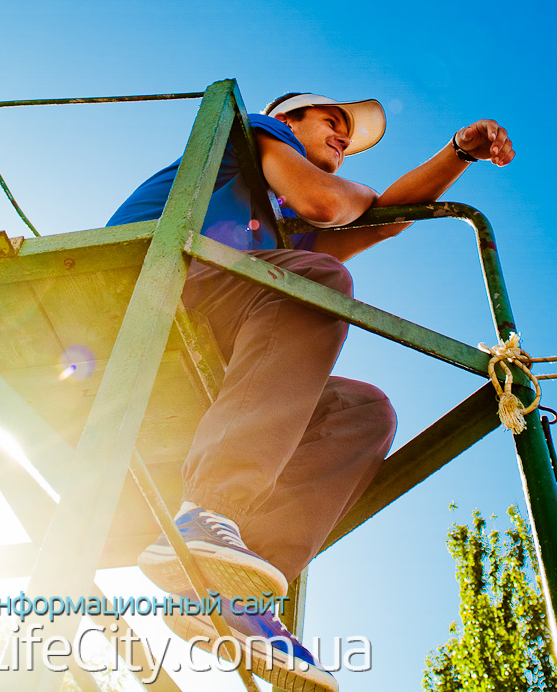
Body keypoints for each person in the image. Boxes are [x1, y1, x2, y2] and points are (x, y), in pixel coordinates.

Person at [106, 91, 515, 691]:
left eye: (348, 137)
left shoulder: (283, 229)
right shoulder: (257, 137)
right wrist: (344, 202)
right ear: (292, 119)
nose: (343, 140)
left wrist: (456, 154)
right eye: (333, 122)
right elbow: (328, 202)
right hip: (141, 289)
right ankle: (210, 511)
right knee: (319, 282)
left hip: (208, 326)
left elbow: (384, 219)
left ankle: (229, 597)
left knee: (363, 412)